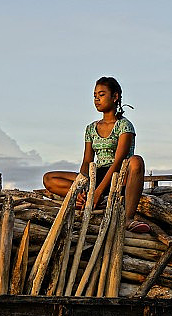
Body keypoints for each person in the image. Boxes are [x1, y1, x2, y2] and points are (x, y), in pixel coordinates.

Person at [43, 76, 149, 233]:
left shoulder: (124, 126)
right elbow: (87, 161)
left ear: (115, 97)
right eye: (94, 95)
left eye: (101, 94)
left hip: (118, 177)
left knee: (136, 161)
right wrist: (83, 187)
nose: (97, 99)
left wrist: (98, 191)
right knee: (49, 178)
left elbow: (119, 161)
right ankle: (82, 200)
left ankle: (128, 219)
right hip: (96, 175)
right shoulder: (91, 128)